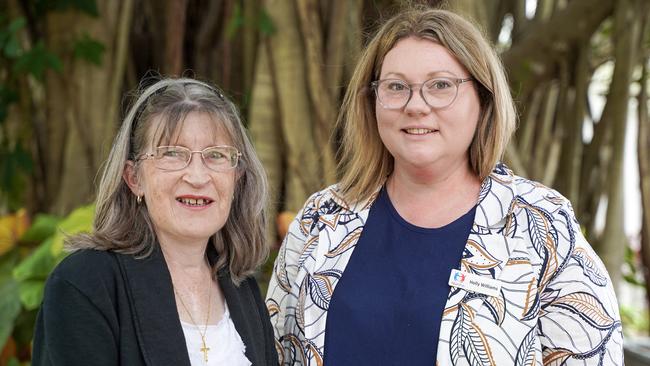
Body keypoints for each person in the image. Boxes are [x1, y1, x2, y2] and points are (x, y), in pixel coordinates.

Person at [266, 7, 623, 366]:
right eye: (396, 87)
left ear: (483, 100)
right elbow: (274, 350)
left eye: (440, 85)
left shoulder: (541, 224)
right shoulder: (322, 218)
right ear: (372, 100)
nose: (416, 105)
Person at [33, 78, 278, 366]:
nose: (198, 177)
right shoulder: (85, 284)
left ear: (237, 177)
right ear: (134, 178)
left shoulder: (241, 287)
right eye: (173, 154)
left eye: (216, 155)